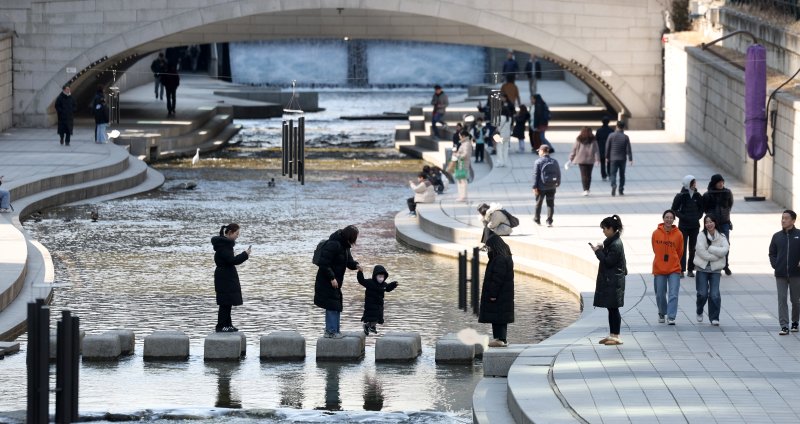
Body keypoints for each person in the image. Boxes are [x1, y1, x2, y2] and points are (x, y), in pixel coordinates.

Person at [314, 225, 360, 338]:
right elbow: (324, 263)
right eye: (354, 237)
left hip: (336, 282)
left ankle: (335, 331)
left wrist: (356, 265)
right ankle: (330, 331)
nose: (355, 240)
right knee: (331, 305)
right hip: (326, 280)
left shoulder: (345, 246)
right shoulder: (333, 244)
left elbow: (349, 261)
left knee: (336, 305)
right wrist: (332, 278)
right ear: (349, 236)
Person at [591, 214, 627, 346]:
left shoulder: (616, 244)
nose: (603, 231)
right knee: (611, 308)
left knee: (613, 309)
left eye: (604, 229)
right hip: (612, 280)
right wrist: (602, 249)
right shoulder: (613, 242)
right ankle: (612, 334)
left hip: (614, 282)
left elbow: (609, 262)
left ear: (611, 228)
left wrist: (597, 252)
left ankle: (616, 335)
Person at [211, 223, 251, 332]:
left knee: (228, 302)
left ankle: (228, 324)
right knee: (224, 303)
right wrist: (245, 254)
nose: (238, 236)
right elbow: (232, 260)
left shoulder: (225, 244)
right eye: (236, 233)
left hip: (227, 275)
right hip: (224, 277)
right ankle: (221, 326)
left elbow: (230, 260)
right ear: (230, 233)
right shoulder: (223, 246)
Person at [478, 233, 515, 348]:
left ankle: (500, 339)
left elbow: (497, 279)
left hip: (499, 295)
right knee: (500, 317)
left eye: (489, 247)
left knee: (498, 318)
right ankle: (501, 339)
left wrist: (492, 294)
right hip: (504, 295)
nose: (488, 250)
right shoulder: (505, 257)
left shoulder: (499, 260)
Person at [768, 210, 800, 335]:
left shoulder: (799, 235)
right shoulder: (776, 236)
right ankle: (784, 325)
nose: (783, 220)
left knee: (796, 300)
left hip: (796, 274)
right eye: (782, 218)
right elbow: (772, 253)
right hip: (780, 274)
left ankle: (795, 322)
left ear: (793, 220)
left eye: (786, 218)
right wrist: (776, 265)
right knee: (782, 299)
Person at [694, 215, 729, 326]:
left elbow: (725, 250)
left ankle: (714, 317)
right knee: (702, 294)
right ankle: (699, 310)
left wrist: (711, 249)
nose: (709, 224)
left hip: (715, 270)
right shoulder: (701, 235)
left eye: (711, 221)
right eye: (707, 222)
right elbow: (701, 252)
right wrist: (715, 256)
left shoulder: (722, 236)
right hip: (702, 268)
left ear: (715, 222)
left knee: (714, 294)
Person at [651, 210, 684, 325]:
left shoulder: (678, 234)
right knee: (660, 293)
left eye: (671, 218)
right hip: (659, 268)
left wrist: (673, 260)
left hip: (674, 268)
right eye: (667, 217)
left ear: (674, 219)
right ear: (663, 218)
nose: (669, 219)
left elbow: (680, 251)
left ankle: (671, 316)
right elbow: (655, 249)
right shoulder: (656, 233)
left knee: (673, 293)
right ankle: (662, 312)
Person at [671, 175, 703, 277]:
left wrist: (698, 216)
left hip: (695, 226)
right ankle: (681, 269)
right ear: (687, 184)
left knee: (693, 248)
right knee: (682, 248)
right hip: (683, 226)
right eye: (692, 183)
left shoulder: (697, 195)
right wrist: (683, 217)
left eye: (695, 183)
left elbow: (702, 208)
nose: (694, 185)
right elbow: (674, 209)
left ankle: (690, 269)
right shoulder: (680, 196)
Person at [702, 174, 734, 275]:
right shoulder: (707, 195)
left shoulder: (727, 192)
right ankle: (715, 265)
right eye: (719, 182)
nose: (721, 184)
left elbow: (730, 205)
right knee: (713, 244)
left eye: (722, 182)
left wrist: (727, 218)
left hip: (724, 223)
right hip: (713, 224)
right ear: (714, 183)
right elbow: (705, 208)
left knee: (726, 244)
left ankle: (726, 265)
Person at [357, 265, 398, 336]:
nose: (381, 278)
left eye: (382, 277)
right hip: (371, 305)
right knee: (374, 317)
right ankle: (367, 326)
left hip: (379, 305)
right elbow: (361, 281)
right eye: (379, 276)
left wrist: (393, 285)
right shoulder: (370, 283)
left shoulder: (383, 284)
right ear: (375, 276)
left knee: (379, 318)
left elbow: (388, 288)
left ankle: (370, 326)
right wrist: (360, 272)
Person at [532, 145, 560, 227]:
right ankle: (549, 221)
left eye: (539, 151)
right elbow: (558, 173)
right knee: (550, 204)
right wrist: (557, 183)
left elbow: (535, 175)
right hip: (552, 186)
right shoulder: (554, 161)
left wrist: (534, 187)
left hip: (541, 187)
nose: (538, 152)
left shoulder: (538, 162)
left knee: (538, 203)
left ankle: (537, 219)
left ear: (542, 151)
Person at [568, 127, 600, 196]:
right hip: (590, 160)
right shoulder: (593, 140)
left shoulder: (579, 139)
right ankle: (587, 189)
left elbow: (574, 149)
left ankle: (585, 189)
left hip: (581, 160)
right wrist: (597, 160)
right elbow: (596, 150)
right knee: (589, 175)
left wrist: (571, 158)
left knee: (583, 175)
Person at [605, 121, 632, 196]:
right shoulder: (626, 137)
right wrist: (630, 158)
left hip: (613, 158)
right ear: (623, 127)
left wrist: (606, 156)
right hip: (622, 158)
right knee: (622, 174)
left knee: (613, 174)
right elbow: (628, 149)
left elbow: (608, 147)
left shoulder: (611, 135)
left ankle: (613, 185)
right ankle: (621, 189)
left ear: (617, 126)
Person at [451, 130, 474, 202]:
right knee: (460, 179)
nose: (459, 137)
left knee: (463, 180)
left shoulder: (466, 144)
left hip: (463, 163)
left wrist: (456, 155)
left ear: (463, 136)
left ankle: (463, 196)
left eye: (460, 136)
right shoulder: (464, 143)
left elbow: (465, 155)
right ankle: (461, 196)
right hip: (460, 163)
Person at [594, 116, 613, 181]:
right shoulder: (611, 130)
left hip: (601, 148)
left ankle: (603, 175)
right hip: (609, 149)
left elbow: (596, 139)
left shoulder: (599, 130)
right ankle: (610, 174)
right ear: (608, 122)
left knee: (602, 163)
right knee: (609, 163)